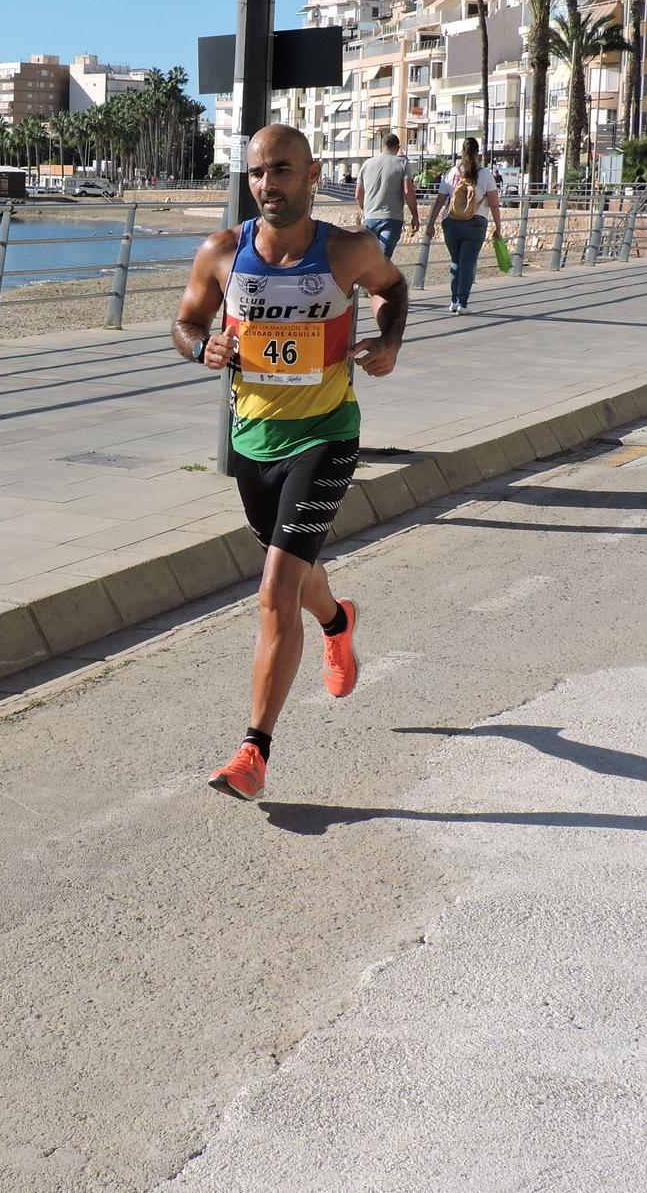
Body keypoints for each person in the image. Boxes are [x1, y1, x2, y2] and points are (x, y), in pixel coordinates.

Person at [173, 124, 409, 801]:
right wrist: (202, 350)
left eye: (281, 171)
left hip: (327, 436)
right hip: (254, 445)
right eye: (256, 174)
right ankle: (338, 622)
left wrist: (388, 342)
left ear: (312, 177)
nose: (267, 185)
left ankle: (254, 751)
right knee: (296, 575)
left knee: (275, 590)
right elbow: (185, 322)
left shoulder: (348, 252)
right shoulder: (223, 254)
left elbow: (394, 291)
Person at [423, 137, 504, 314]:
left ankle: (453, 301)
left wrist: (430, 223)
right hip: (476, 222)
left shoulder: (451, 173)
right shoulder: (485, 174)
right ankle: (462, 303)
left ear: (462, 151)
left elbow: (440, 201)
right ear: (477, 152)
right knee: (468, 263)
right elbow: (494, 203)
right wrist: (498, 226)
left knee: (456, 262)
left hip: (451, 222)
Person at [354, 132, 418, 256]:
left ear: (381, 146)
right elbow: (408, 191)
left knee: (368, 258)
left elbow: (358, 194)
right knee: (384, 259)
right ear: (398, 148)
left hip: (370, 217)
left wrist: (366, 208)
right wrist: (414, 215)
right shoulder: (402, 163)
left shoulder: (366, 164)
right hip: (392, 217)